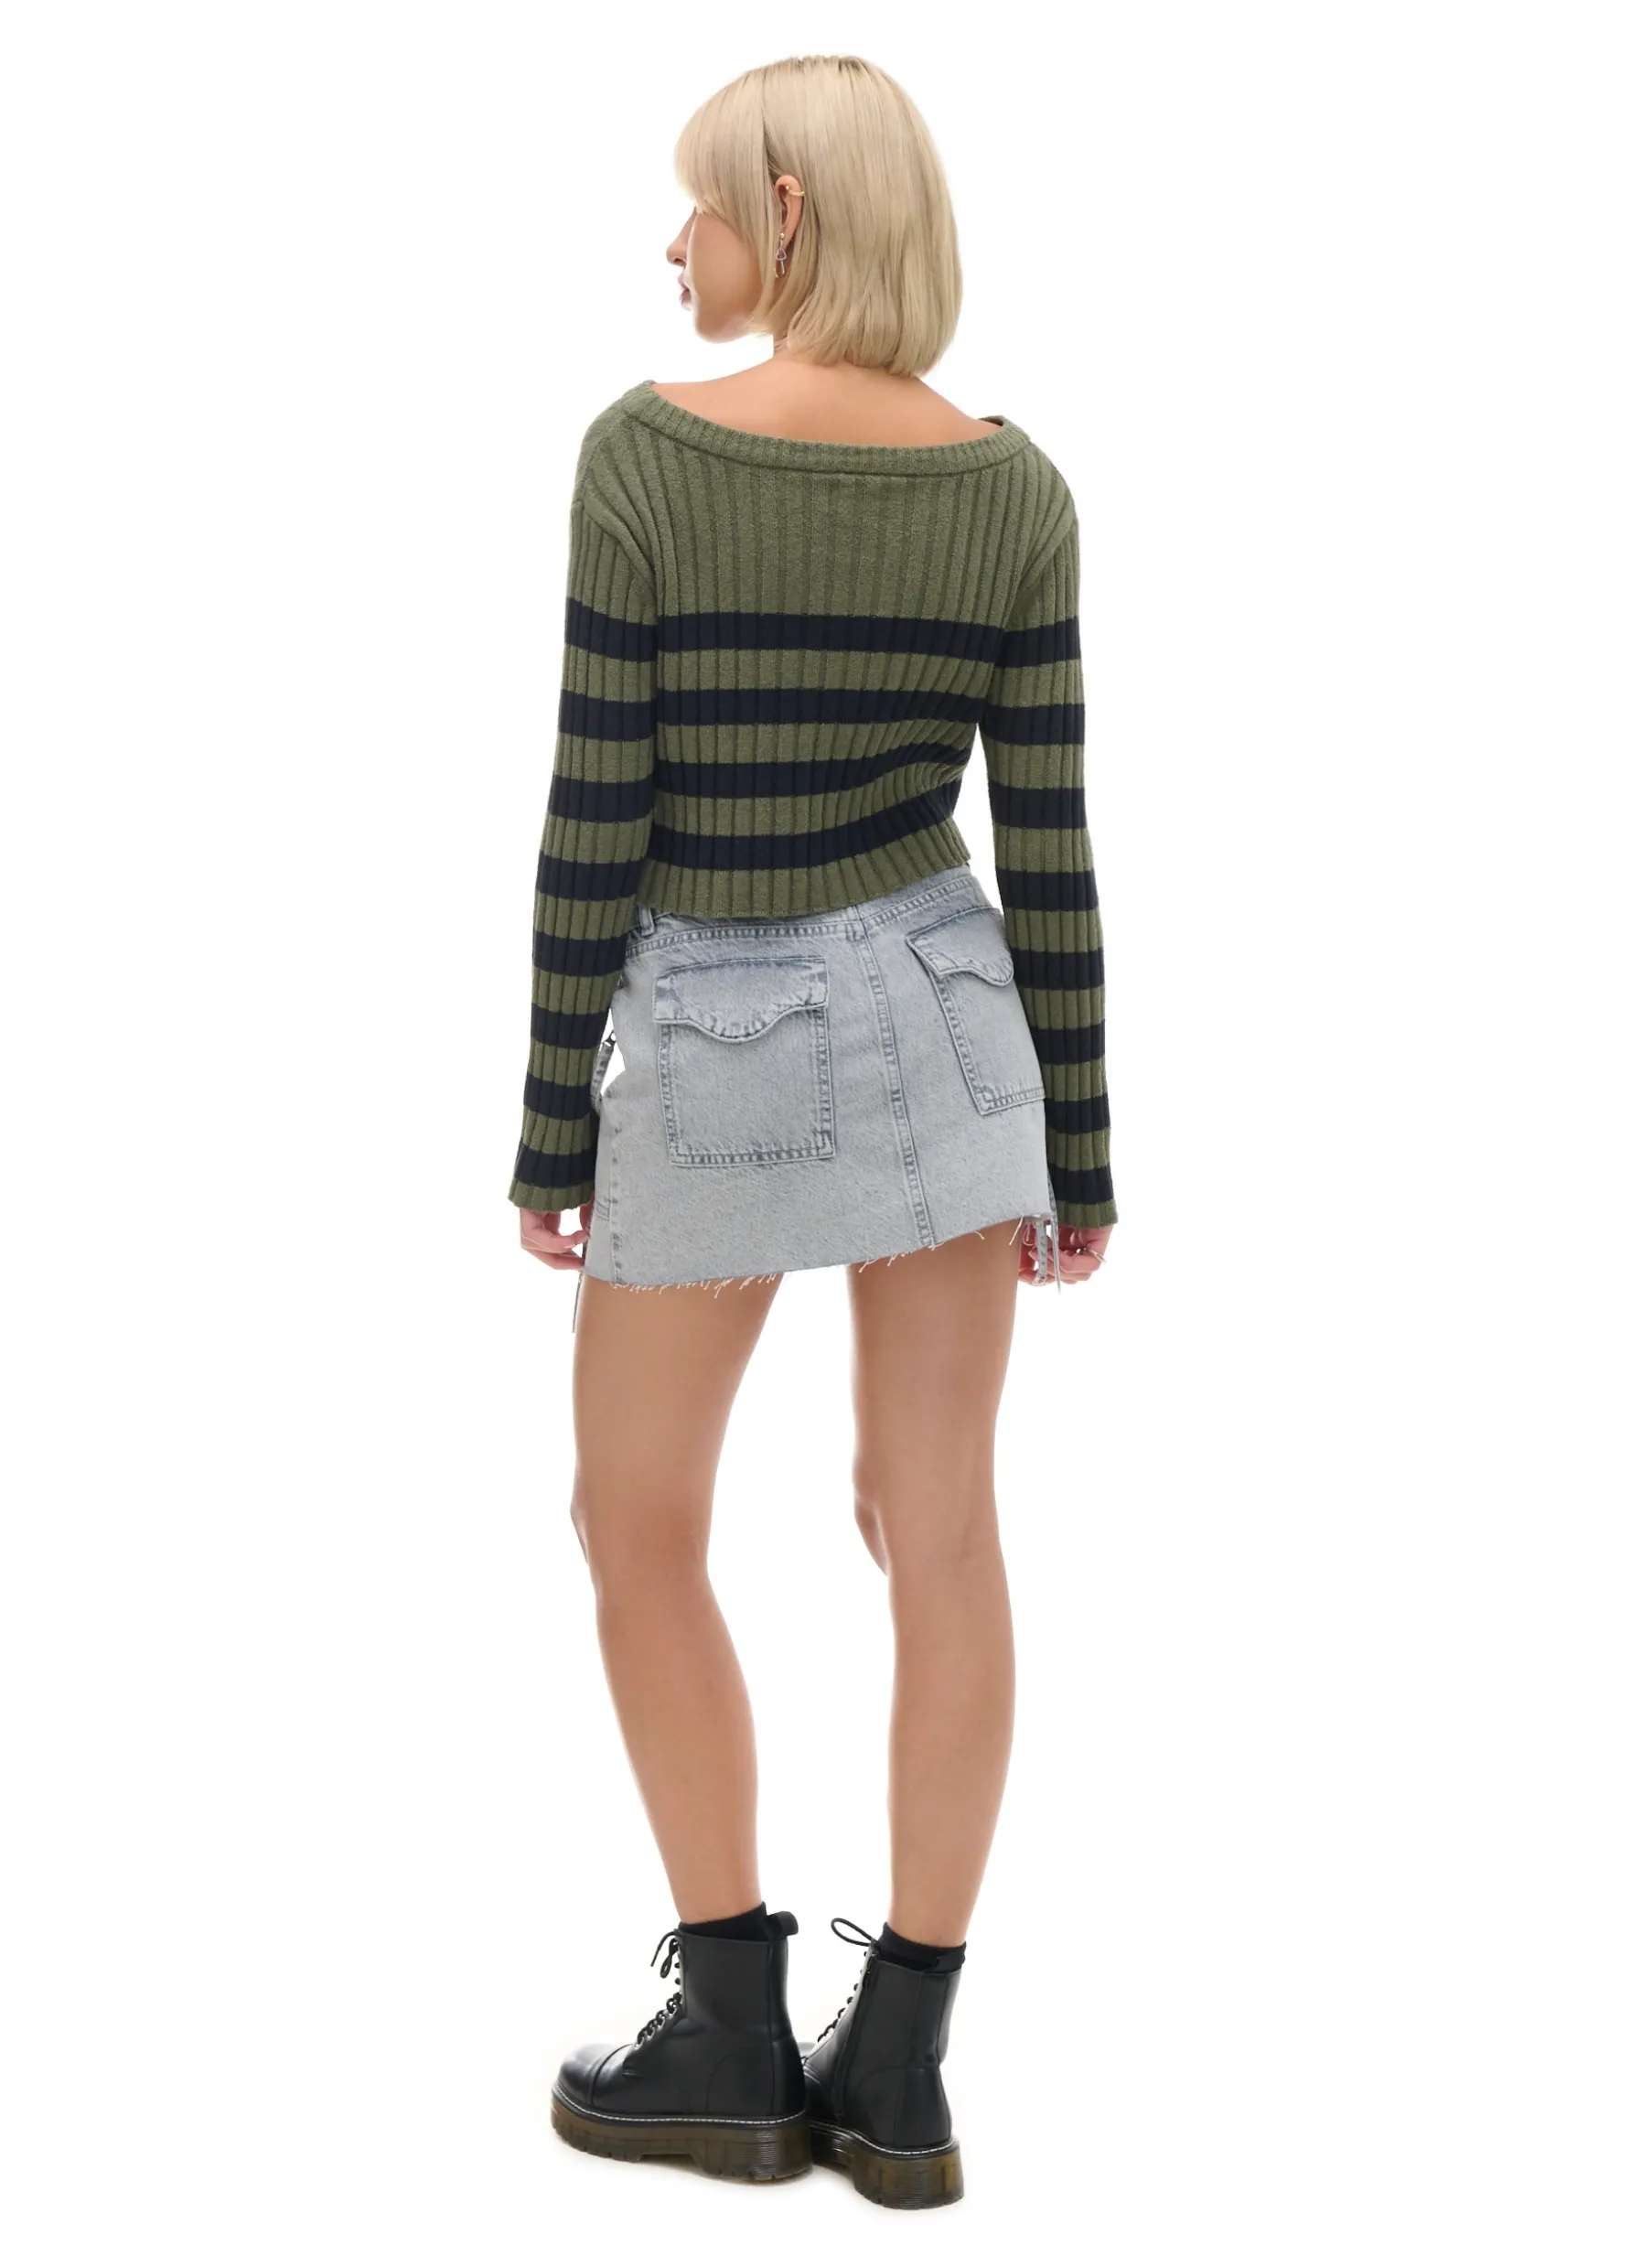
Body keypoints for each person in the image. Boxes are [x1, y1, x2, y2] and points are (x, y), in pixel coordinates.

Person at [509, 54, 1115, 2210]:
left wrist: (548, 1125)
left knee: (635, 1517)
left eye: (694, 204)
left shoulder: (647, 456)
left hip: (724, 1036)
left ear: (781, 207)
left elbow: (599, 812)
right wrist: (1080, 1153)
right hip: (952, 1028)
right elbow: (1043, 848)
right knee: (933, 1529)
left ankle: (731, 2027)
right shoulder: (1011, 486)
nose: (670, 244)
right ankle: (903, 2073)